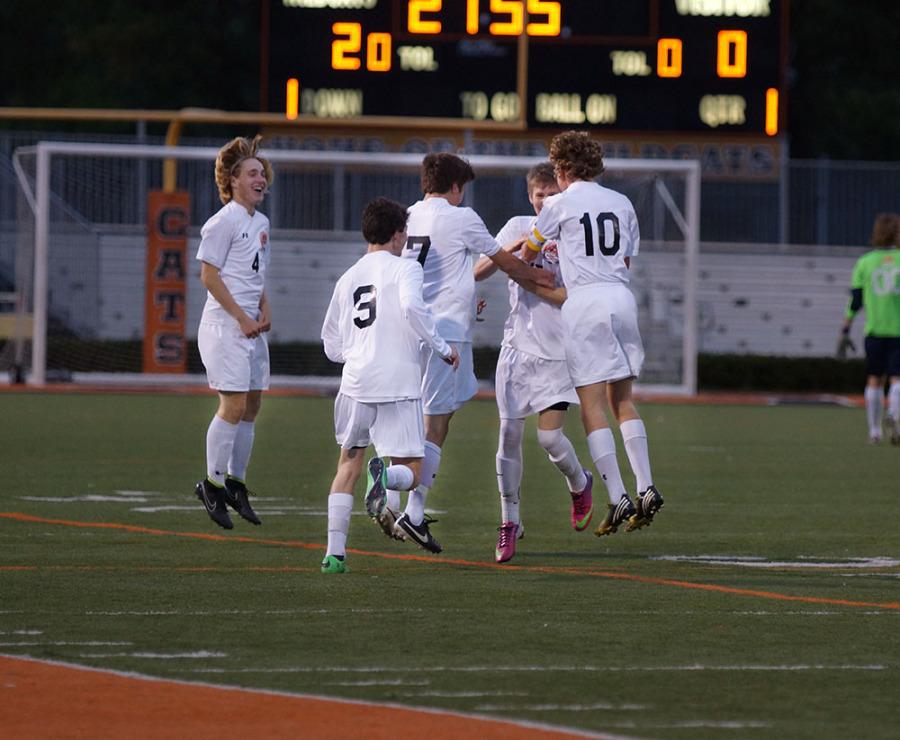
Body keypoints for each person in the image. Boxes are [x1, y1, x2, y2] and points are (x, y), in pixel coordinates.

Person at [373, 153, 554, 547]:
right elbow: (504, 260)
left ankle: (391, 501)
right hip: (445, 334)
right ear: (455, 187)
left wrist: (466, 296)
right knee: (437, 424)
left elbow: (429, 273)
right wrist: (539, 274)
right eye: (462, 188)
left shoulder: (407, 217)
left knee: (413, 418)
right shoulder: (462, 217)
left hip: (407, 330)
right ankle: (408, 506)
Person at [523, 131, 664, 537]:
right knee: (623, 400)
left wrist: (538, 256)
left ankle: (618, 494)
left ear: (563, 169)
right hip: (622, 297)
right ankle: (647, 485)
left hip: (584, 302)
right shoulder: (621, 203)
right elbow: (625, 260)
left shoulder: (558, 204)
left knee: (591, 405)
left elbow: (531, 252)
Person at [320, 197, 460, 572]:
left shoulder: (348, 277)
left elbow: (331, 345)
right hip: (397, 381)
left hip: (355, 381)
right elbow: (414, 309)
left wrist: (360, 351)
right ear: (399, 235)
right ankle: (382, 477)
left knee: (347, 464)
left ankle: (334, 555)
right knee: (412, 471)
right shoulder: (405, 269)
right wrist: (443, 349)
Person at [473, 163, 593, 564]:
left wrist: (527, 275)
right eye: (540, 194)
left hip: (559, 352)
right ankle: (510, 521)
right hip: (516, 349)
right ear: (530, 197)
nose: (546, 201)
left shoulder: (572, 233)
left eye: (552, 194)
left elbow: (566, 290)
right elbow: (481, 270)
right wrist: (513, 251)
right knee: (508, 436)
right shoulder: (516, 226)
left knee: (549, 440)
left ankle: (579, 481)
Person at [194, 135, 273, 530]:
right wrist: (242, 316)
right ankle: (211, 484)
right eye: (253, 173)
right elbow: (208, 275)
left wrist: (263, 305)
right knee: (234, 404)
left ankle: (237, 483)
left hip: (250, 326)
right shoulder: (221, 222)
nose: (261, 179)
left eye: (262, 172)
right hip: (225, 327)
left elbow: (254, 272)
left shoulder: (260, 223)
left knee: (253, 405)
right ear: (234, 180)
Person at [838, 212, 900, 444]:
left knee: (874, 379)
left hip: (874, 332)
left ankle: (874, 431)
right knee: (898, 380)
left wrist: (845, 327)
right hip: (899, 332)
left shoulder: (865, 262)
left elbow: (855, 300)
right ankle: (894, 416)